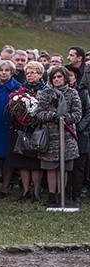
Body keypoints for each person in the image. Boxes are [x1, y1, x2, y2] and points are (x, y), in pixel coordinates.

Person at [35, 66, 82, 207]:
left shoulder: (72, 93)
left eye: (59, 77)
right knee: (51, 167)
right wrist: (52, 115)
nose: (56, 79)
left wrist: (65, 118)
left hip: (67, 136)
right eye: (54, 77)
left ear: (65, 78)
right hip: (50, 136)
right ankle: (51, 194)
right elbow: (39, 113)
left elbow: (78, 114)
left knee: (64, 166)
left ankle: (62, 193)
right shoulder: (45, 93)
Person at [4, 61, 47, 203]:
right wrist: (20, 114)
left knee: (35, 162)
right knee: (22, 161)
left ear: (40, 74)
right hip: (22, 128)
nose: (29, 75)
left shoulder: (45, 90)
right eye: (27, 73)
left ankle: (36, 192)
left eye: (33, 73)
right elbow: (15, 107)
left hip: (38, 130)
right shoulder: (21, 90)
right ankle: (25, 191)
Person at [0, 60, 21, 197]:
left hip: (9, 125)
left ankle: (5, 187)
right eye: (1, 70)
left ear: (12, 72)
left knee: (8, 157)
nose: (3, 72)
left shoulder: (18, 87)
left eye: (7, 70)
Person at [65, 65, 90, 203]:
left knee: (79, 164)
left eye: (71, 75)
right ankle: (65, 189)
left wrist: (79, 128)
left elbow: (88, 112)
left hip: (80, 133)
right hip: (64, 131)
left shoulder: (82, 91)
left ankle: (76, 192)